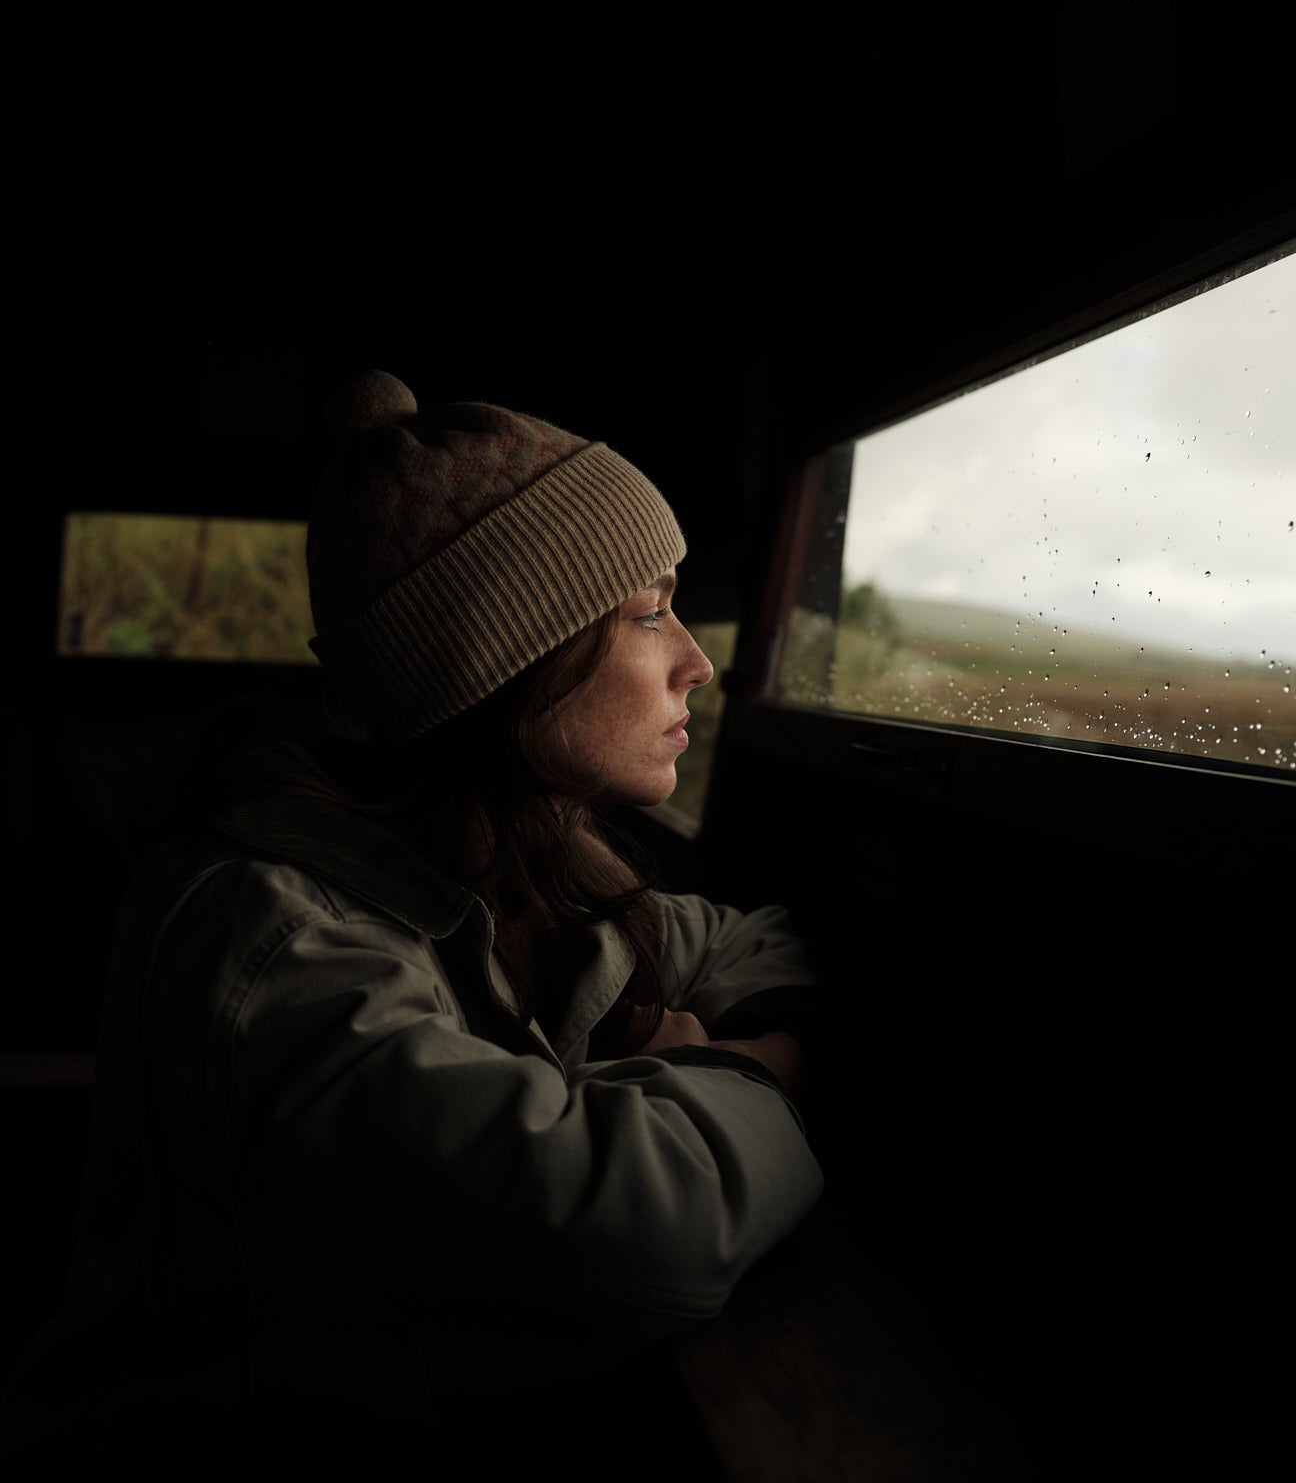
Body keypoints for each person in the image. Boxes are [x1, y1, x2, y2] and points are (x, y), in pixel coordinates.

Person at [2, 371, 826, 1461]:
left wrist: (670, 1059)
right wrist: (753, 1067)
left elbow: (749, 938)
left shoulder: (523, 871)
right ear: (506, 661)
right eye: (648, 612)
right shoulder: (269, 942)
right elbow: (648, 1227)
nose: (698, 661)